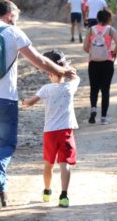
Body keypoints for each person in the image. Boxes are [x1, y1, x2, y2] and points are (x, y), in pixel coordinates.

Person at [0, 0, 76, 211]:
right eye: (16, 18)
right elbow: (39, 60)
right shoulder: (13, 32)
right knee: (7, 144)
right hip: (5, 99)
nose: (16, 21)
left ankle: (0, 192)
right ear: (10, 15)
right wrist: (61, 72)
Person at [22, 49, 79, 208]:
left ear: (49, 72)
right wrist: (66, 67)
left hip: (50, 133)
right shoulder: (70, 87)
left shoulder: (46, 89)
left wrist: (24, 102)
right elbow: (75, 75)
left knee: (48, 164)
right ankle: (64, 195)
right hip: (66, 132)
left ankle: (47, 190)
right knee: (65, 164)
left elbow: (31, 102)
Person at [83, 10, 117, 125]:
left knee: (94, 88)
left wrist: (92, 52)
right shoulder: (110, 30)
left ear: (98, 18)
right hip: (107, 62)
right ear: (109, 19)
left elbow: (85, 47)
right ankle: (103, 118)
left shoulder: (91, 29)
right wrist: (113, 52)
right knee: (105, 90)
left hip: (93, 63)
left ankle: (93, 108)